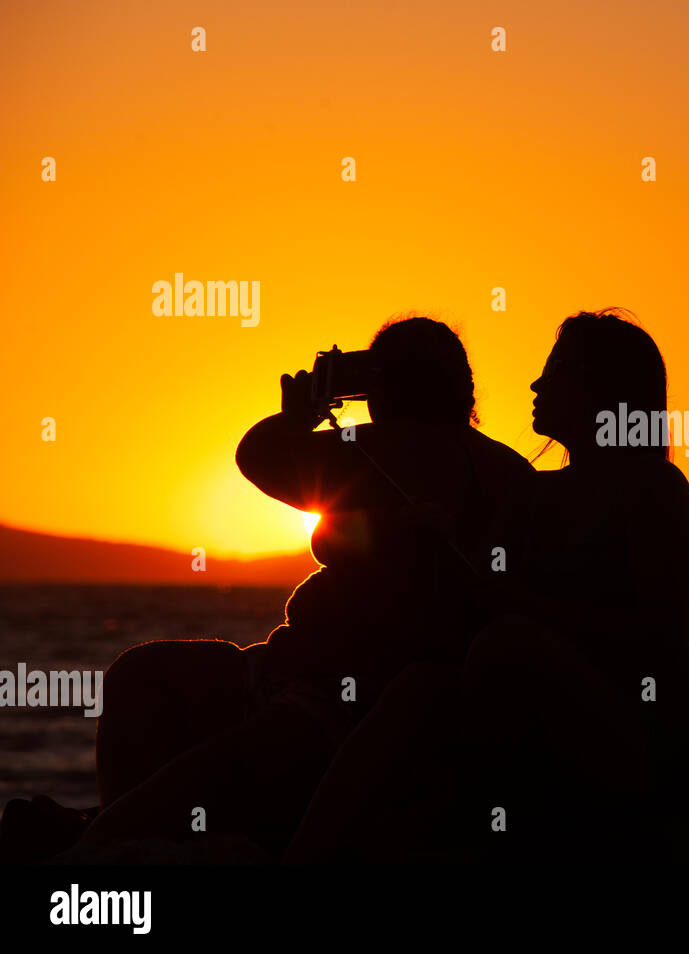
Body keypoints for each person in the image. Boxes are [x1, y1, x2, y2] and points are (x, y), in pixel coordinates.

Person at [81, 316, 532, 856]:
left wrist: (301, 415)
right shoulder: (509, 467)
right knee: (148, 675)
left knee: (141, 681)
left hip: (326, 693)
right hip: (320, 674)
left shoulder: (394, 445)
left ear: (386, 381)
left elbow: (259, 457)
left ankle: (114, 847)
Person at [285, 308, 689, 862]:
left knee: (508, 645)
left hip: (638, 740)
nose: (536, 384)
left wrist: (525, 609)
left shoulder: (655, 489)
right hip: (546, 717)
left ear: (600, 389)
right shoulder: (534, 493)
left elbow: (659, 634)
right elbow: (473, 582)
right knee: (423, 683)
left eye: (556, 372)